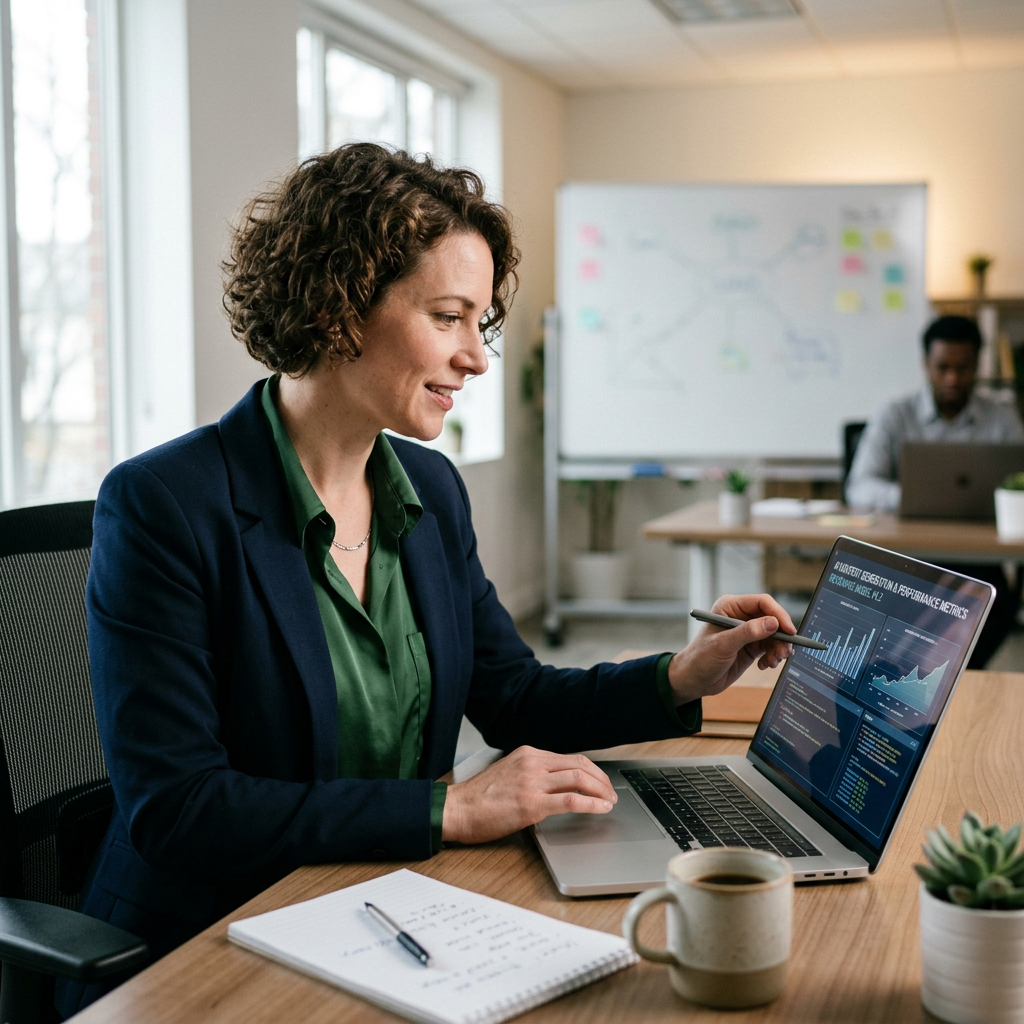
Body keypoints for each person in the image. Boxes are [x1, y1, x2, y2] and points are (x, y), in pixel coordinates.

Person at [58, 144, 795, 1016]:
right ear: (337, 306)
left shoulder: (431, 492)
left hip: (381, 909)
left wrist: (680, 674)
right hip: (206, 944)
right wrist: (444, 810)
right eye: (448, 317)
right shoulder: (163, 505)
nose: (477, 360)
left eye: (478, 325)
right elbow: (181, 809)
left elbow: (514, 694)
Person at [846, 314, 1024, 665]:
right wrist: (912, 498)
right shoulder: (895, 414)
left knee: (998, 606)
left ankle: (958, 678)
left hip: (977, 561)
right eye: (942, 367)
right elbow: (859, 487)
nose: (952, 378)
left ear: (978, 365)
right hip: (908, 557)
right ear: (926, 363)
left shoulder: (1003, 419)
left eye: (964, 368)